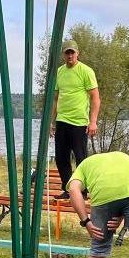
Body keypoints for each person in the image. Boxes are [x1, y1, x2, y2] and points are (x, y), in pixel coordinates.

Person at [51, 41, 100, 187]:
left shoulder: (86, 71)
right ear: (63, 55)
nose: (70, 55)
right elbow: (56, 99)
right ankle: (68, 188)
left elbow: (95, 98)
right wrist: (52, 123)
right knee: (61, 158)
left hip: (79, 122)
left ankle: (82, 189)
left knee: (81, 158)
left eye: (72, 52)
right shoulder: (59, 72)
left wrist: (93, 122)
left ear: (77, 53)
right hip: (62, 120)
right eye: (67, 53)